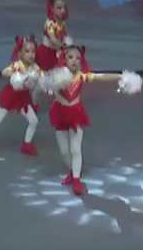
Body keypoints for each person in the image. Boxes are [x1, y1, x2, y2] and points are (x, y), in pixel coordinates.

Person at [47, 46, 138, 196]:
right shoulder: (57, 76)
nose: (74, 60)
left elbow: (101, 76)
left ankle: (76, 180)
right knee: (64, 152)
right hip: (60, 114)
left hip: (75, 114)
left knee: (75, 149)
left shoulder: (82, 76)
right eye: (70, 57)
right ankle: (72, 171)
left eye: (78, 58)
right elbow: (47, 85)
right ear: (64, 59)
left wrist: (121, 76)